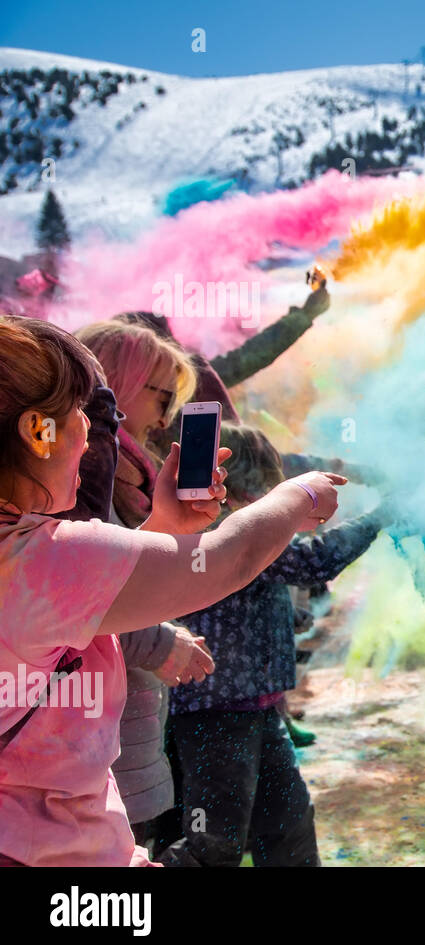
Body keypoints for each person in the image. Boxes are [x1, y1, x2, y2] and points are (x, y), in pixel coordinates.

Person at [0, 314, 346, 866]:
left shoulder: (26, 554)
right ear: (35, 434)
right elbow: (226, 561)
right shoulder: (34, 556)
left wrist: (161, 528)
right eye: (81, 417)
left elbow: (87, 599)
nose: (93, 436)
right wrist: (298, 498)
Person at [160, 423, 388, 867]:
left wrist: (288, 616)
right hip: (219, 715)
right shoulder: (235, 528)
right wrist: (381, 516)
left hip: (252, 708)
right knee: (214, 845)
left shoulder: (222, 526)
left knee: (287, 829)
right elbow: (314, 559)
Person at [75, 319, 213, 853]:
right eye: (163, 396)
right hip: (92, 759)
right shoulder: (80, 473)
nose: (166, 417)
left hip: (121, 735)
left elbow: (111, 571)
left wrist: (165, 528)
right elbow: (76, 594)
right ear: (121, 383)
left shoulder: (120, 470)